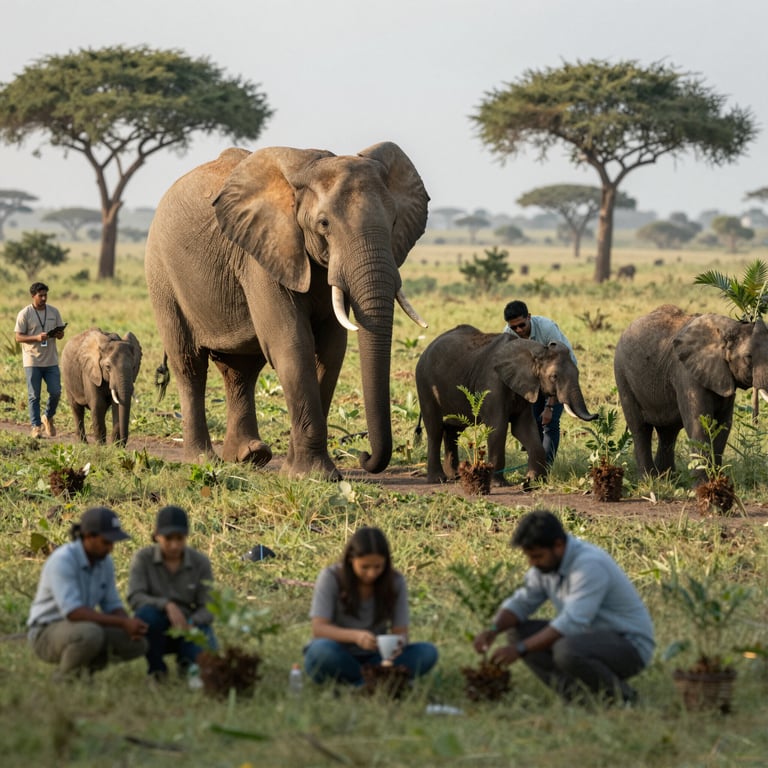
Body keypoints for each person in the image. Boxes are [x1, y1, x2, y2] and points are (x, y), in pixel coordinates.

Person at [473, 510, 654, 705]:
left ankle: (623, 698)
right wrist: (493, 630)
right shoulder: (546, 566)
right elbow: (522, 603)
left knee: (566, 650)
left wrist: (519, 649)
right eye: (529, 557)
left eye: (537, 556)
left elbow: (571, 623)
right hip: (588, 638)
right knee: (518, 633)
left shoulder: (589, 565)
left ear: (558, 545)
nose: (532, 563)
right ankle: (579, 698)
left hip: (629, 646)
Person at [304, 526, 438, 686]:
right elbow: (319, 629)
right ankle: (375, 681)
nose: (372, 573)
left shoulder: (395, 582)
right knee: (320, 651)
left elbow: (401, 632)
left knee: (427, 652)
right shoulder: (331, 577)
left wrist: (398, 644)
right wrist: (356, 637)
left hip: (377, 657)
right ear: (351, 560)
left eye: (378, 567)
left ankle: (362, 683)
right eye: (365, 567)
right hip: (339, 653)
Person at [27, 506, 148, 679]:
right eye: (106, 542)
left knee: (137, 643)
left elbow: (112, 605)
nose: (110, 548)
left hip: (79, 626)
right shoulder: (63, 560)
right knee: (91, 633)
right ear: (89, 537)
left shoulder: (104, 561)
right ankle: (65, 677)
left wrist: (129, 624)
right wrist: (122, 623)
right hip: (45, 632)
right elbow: (74, 612)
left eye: (112, 543)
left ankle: (86, 672)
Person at [128, 505, 217, 681]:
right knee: (145, 615)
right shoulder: (143, 559)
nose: (174, 545)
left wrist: (192, 622)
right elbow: (135, 596)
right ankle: (157, 670)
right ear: (157, 535)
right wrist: (166, 605)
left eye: (180, 538)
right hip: (156, 626)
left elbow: (209, 606)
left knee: (208, 666)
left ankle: (186, 662)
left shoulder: (200, 562)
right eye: (168, 538)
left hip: (188, 626)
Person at [503, 299, 577, 465]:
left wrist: (549, 407)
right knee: (534, 421)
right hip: (533, 378)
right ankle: (536, 463)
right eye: (514, 327)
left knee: (550, 422)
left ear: (529, 317)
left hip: (562, 374)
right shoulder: (507, 335)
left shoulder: (547, 328)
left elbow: (559, 366)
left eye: (521, 325)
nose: (518, 330)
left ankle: (545, 468)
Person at [14, 281, 66, 438]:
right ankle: (36, 426)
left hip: (51, 361)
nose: (44, 298)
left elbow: (61, 335)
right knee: (34, 396)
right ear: (33, 296)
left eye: (45, 295)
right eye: (40, 295)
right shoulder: (25, 314)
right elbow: (18, 337)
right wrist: (36, 338)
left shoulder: (54, 312)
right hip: (32, 361)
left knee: (56, 392)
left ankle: (48, 417)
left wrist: (59, 334)